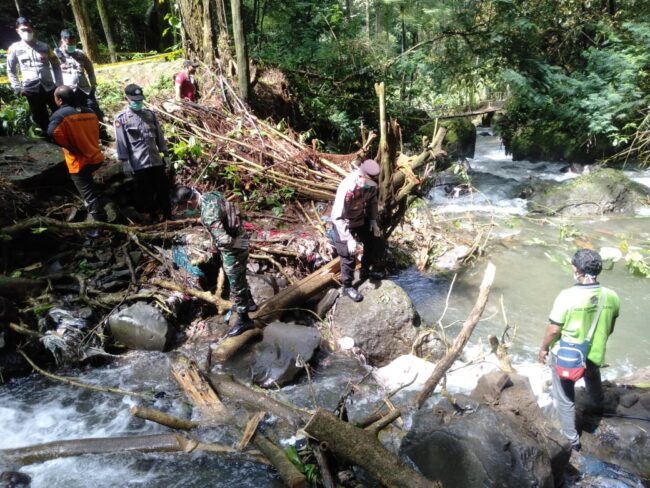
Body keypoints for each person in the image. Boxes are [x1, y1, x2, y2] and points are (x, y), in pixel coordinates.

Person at [538, 249, 620, 451]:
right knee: (592, 376)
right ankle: (597, 407)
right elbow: (609, 328)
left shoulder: (567, 296)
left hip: (567, 356)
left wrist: (543, 349)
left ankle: (572, 441)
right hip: (594, 353)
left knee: (564, 397)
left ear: (577, 270)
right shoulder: (612, 296)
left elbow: (554, 329)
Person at [172, 186, 257, 337]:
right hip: (241, 235)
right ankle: (249, 302)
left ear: (191, 202)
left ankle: (244, 319)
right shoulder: (211, 194)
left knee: (234, 278)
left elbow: (224, 239)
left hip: (235, 244)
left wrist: (228, 246)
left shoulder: (207, 214)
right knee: (240, 272)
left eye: (183, 207)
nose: (183, 210)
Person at [47, 85, 105, 229]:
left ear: (59, 100)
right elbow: (96, 129)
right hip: (96, 158)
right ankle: (100, 207)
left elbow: (51, 132)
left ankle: (99, 226)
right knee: (89, 185)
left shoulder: (60, 115)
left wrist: (69, 146)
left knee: (89, 195)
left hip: (79, 162)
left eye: (55, 97)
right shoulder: (90, 112)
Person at [114, 84, 171, 222]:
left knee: (163, 189)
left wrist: (166, 154)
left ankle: (169, 215)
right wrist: (125, 161)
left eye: (140, 100)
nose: (137, 103)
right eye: (134, 100)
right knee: (146, 192)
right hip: (139, 163)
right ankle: (153, 217)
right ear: (127, 98)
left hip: (155, 160)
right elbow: (121, 141)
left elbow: (159, 135)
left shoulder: (150, 115)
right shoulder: (121, 119)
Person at [330, 159, 384, 302]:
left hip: (359, 218)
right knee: (348, 254)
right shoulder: (347, 186)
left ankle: (365, 271)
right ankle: (347, 286)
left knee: (374, 239)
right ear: (360, 174)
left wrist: (373, 221)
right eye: (363, 178)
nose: (364, 182)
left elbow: (372, 202)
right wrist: (349, 239)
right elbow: (336, 216)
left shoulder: (371, 185)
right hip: (343, 223)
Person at [7, 17, 62, 135]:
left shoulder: (44, 46)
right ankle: (49, 141)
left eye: (28, 29)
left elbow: (56, 65)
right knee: (40, 118)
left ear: (32, 29)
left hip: (49, 87)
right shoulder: (14, 48)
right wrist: (17, 88)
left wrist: (58, 84)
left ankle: (64, 136)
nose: (26, 32)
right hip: (31, 89)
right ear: (17, 30)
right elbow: (11, 70)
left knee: (59, 112)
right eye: (23, 29)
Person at [54, 29, 108, 141]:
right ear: (62, 41)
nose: (72, 45)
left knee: (94, 111)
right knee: (75, 115)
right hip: (69, 92)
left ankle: (102, 136)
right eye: (69, 43)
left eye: (73, 42)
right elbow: (51, 72)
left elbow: (90, 68)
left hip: (85, 89)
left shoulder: (80, 53)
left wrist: (93, 83)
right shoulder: (56, 55)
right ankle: (83, 138)